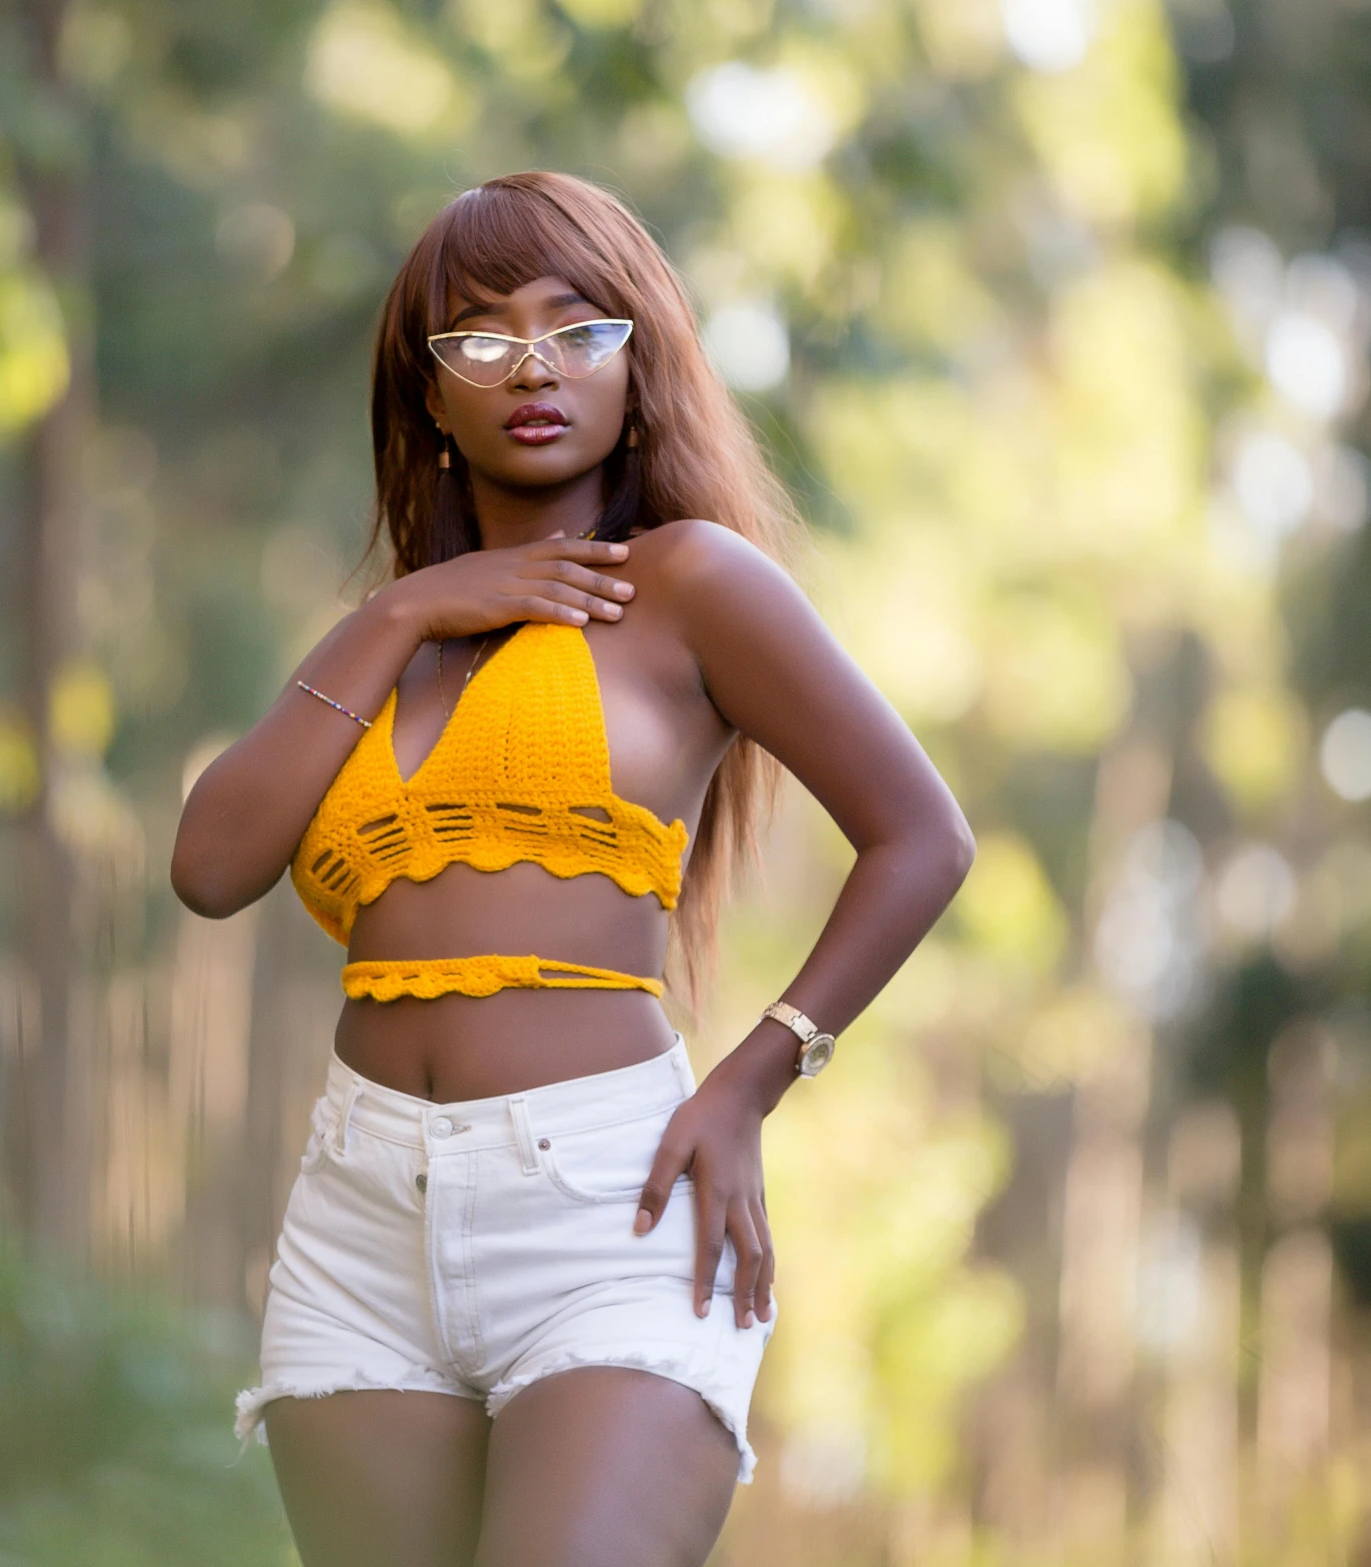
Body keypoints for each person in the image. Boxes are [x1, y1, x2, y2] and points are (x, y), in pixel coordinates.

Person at [170, 171, 974, 1567]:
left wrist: (752, 1077)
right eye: (478, 338)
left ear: (634, 360)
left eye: (575, 328)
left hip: (611, 1200)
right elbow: (210, 862)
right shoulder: (382, 648)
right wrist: (412, 606)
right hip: (360, 1223)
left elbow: (922, 835)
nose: (531, 369)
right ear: (427, 394)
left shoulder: (689, 583)